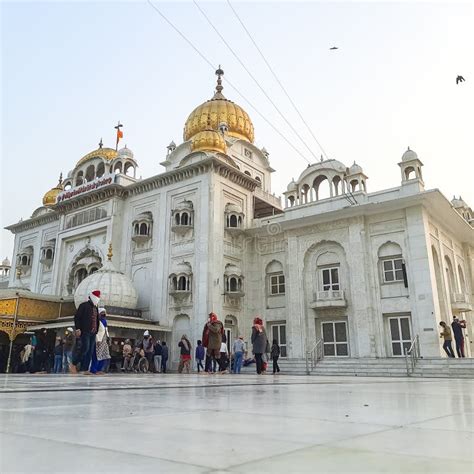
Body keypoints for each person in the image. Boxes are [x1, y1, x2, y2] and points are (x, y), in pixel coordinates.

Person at [74, 290, 101, 374]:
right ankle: (74, 363)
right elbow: (77, 317)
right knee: (85, 348)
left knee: (90, 351)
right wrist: (78, 328)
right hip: (85, 331)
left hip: (93, 332)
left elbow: (96, 320)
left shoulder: (95, 308)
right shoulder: (84, 306)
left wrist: (96, 331)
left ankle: (84, 369)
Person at [90, 308, 111, 375]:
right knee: (96, 355)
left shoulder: (104, 321)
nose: (103, 314)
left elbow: (106, 330)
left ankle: (99, 369)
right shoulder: (97, 322)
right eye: (102, 313)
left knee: (103, 355)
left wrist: (108, 339)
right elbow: (96, 332)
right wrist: (98, 340)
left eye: (104, 313)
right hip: (98, 341)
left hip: (104, 341)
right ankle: (93, 370)